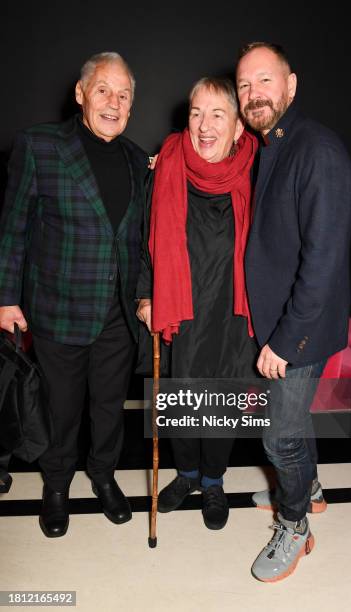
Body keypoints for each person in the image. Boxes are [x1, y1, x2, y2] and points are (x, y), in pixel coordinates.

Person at [0, 52, 149, 537]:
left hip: (117, 315)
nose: (114, 102)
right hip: (57, 311)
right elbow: (13, 229)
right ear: (81, 93)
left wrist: (144, 296)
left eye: (124, 94)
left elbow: (137, 239)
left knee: (109, 408)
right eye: (103, 90)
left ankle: (103, 477)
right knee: (61, 408)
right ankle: (57, 486)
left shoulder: (134, 158)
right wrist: (6, 299)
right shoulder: (40, 145)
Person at [236, 42, 351, 581]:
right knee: (293, 421)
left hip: (297, 328)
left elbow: (324, 261)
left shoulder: (317, 149)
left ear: (291, 85)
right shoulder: (276, 144)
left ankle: (296, 522)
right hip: (285, 321)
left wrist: (284, 340)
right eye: (244, 86)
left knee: (278, 436)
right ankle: (309, 487)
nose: (252, 94)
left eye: (264, 81)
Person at [137, 77, 258, 530]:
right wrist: (147, 294)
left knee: (222, 397)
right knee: (181, 393)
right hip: (181, 305)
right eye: (196, 113)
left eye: (217, 115)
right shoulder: (167, 165)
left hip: (232, 310)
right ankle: (186, 474)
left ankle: (213, 481)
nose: (204, 126)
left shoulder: (255, 171)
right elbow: (146, 238)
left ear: (239, 127)